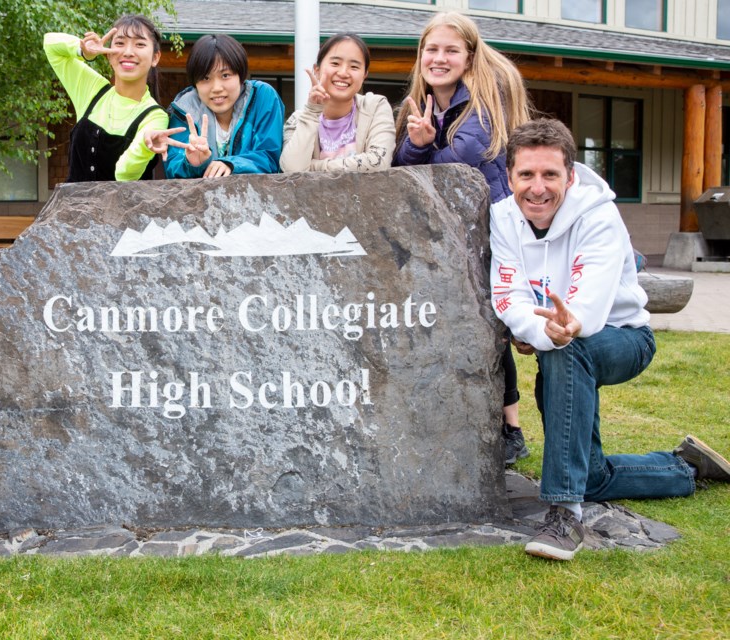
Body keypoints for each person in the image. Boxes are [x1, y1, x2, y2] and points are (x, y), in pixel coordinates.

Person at [490, 119, 730, 561]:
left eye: (550, 175)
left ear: (571, 176)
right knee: (592, 474)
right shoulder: (503, 218)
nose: (537, 188)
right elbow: (508, 293)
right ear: (510, 177)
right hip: (560, 342)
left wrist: (563, 327)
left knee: (566, 353)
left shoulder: (598, 216)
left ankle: (564, 514)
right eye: (526, 175)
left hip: (624, 338)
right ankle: (683, 468)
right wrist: (539, 328)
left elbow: (589, 306)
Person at [393, 11, 532, 465]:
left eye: (451, 50)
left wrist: (427, 144)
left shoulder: (485, 101)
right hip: (445, 236)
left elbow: (462, 158)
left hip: (491, 231)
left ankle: (510, 427)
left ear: (469, 56)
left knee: (491, 327)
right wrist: (418, 141)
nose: (439, 58)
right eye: (431, 50)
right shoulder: (420, 104)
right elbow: (401, 169)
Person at [44, 15, 169, 182]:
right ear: (109, 54)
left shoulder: (155, 116)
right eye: (119, 43)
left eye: (139, 44)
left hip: (124, 208)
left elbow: (124, 174)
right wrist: (83, 51)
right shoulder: (93, 90)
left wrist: (144, 148)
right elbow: (50, 43)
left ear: (155, 57)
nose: (128, 52)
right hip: (71, 207)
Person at [145, 34, 284, 178]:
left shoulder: (262, 97)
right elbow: (174, 170)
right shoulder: (183, 109)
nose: (216, 88)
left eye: (225, 75)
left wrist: (231, 164)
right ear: (195, 84)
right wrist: (193, 164)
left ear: (241, 76)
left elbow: (270, 156)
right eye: (205, 78)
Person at [279, 33, 395, 173]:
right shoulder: (297, 121)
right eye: (335, 63)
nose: (344, 72)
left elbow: (378, 163)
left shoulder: (375, 107)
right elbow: (292, 171)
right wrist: (311, 112)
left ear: (364, 75)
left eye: (354, 66)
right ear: (317, 70)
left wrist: (313, 167)